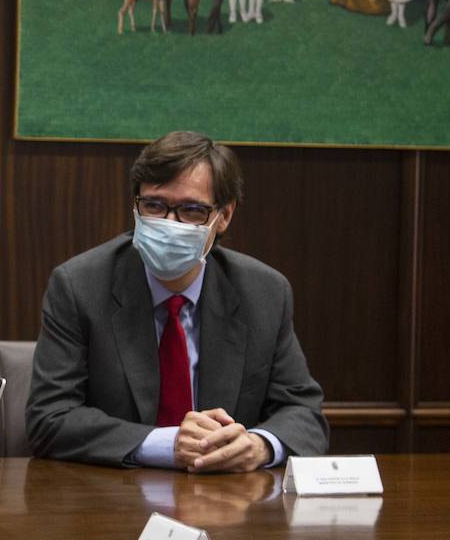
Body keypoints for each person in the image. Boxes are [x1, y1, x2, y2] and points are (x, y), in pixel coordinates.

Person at [26, 131, 328, 472]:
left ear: (224, 215)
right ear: (135, 205)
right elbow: (49, 419)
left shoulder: (264, 292)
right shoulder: (80, 285)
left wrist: (260, 445)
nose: (169, 224)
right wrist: (166, 445)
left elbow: (304, 414)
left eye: (191, 210)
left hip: (228, 504)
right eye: (154, 205)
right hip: (113, 504)